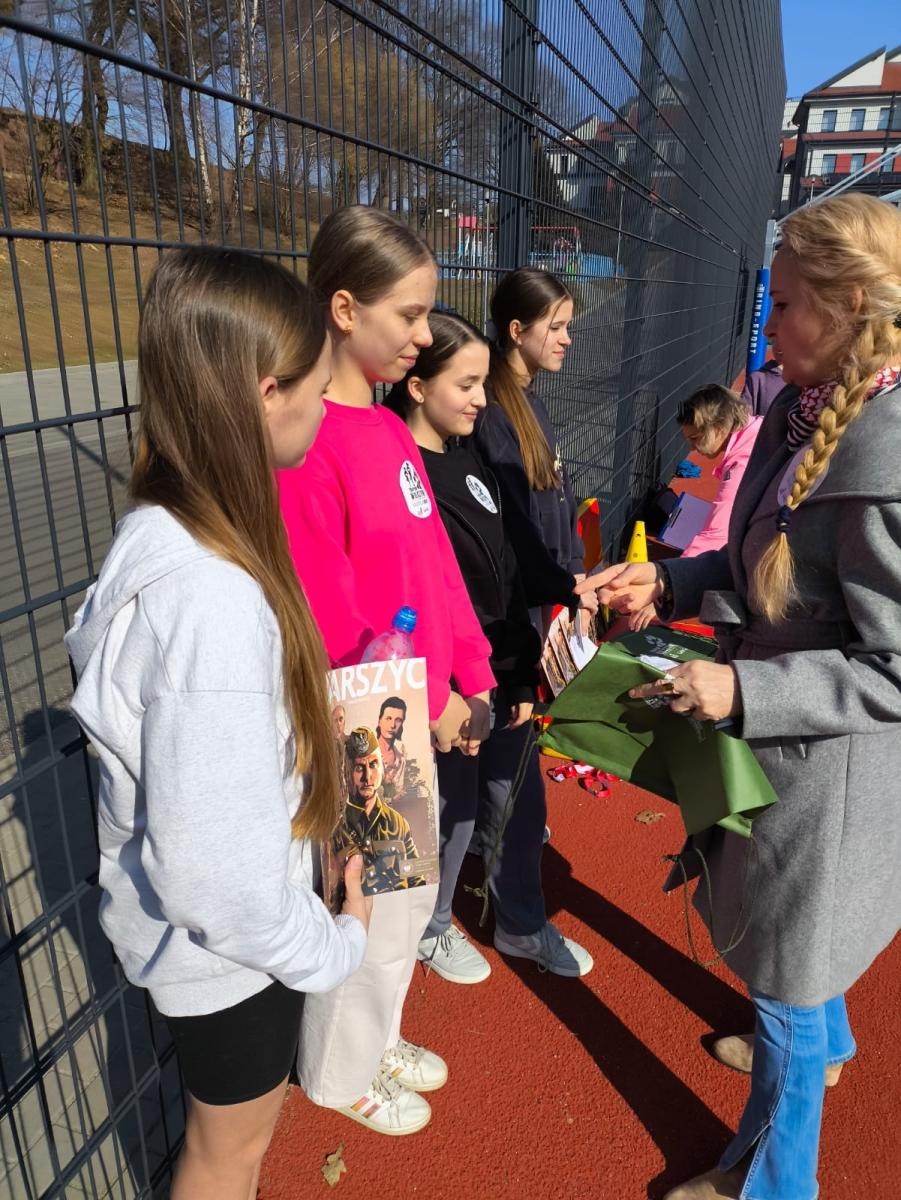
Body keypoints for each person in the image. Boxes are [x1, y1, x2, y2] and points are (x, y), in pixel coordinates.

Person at [577, 193, 901, 1200]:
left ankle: (769, 1186)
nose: (766, 329)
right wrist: (666, 584)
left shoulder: (884, 454)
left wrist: (742, 687)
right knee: (794, 956)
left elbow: (893, 669)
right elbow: (763, 564)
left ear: (850, 306)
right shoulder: (800, 410)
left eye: (787, 305)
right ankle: (829, 1038)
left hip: (825, 773)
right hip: (782, 750)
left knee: (785, 987)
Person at [63, 247, 371, 1200]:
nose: (326, 413)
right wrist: (334, 945)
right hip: (229, 961)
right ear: (264, 392)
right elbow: (211, 876)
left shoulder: (162, 531)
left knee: (224, 1148)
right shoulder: (210, 597)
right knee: (226, 1154)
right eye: (317, 391)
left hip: (214, 945)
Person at [278, 206, 496, 1135]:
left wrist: (469, 668)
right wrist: (420, 697)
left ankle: (377, 1033)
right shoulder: (307, 436)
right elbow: (329, 607)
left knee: (402, 904)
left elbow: (432, 568)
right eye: (407, 315)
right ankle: (337, 1068)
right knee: (370, 895)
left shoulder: (387, 428)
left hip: (415, 700)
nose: (421, 335)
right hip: (369, 709)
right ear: (340, 306)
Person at [385, 312, 594, 983]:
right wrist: (450, 684)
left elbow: (511, 552)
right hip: (449, 682)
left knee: (517, 796)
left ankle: (519, 923)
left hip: (500, 662)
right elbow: (419, 596)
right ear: (416, 386)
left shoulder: (470, 453)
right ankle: (431, 927)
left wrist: (570, 586)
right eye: (466, 383)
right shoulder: (404, 469)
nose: (482, 398)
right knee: (451, 809)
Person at [475, 267, 597, 640]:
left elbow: (558, 491)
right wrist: (566, 586)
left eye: (567, 327)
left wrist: (575, 567)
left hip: (552, 588)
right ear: (516, 331)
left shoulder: (530, 401)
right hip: (523, 600)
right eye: (555, 327)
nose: (568, 340)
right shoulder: (493, 415)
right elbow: (516, 523)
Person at [629, 385, 764, 631]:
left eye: (696, 438)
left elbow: (717, 534)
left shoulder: (743, 462)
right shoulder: (755, 435)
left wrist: (668, 588)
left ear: (719, 428)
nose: (692, 448)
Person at [332, 727, 422, 891]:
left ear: (382, 767)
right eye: (359, 768)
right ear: (346, 772)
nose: (368, 777)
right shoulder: (336, 826)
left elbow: (416, 880)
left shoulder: (398, 823)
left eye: (373, 764)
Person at [376, 697, 408, 799]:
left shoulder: (401, 760)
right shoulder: (368, 752)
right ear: (379, 720)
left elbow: (397, 793)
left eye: (398, 720)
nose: (393, 725)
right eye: (388, 718)